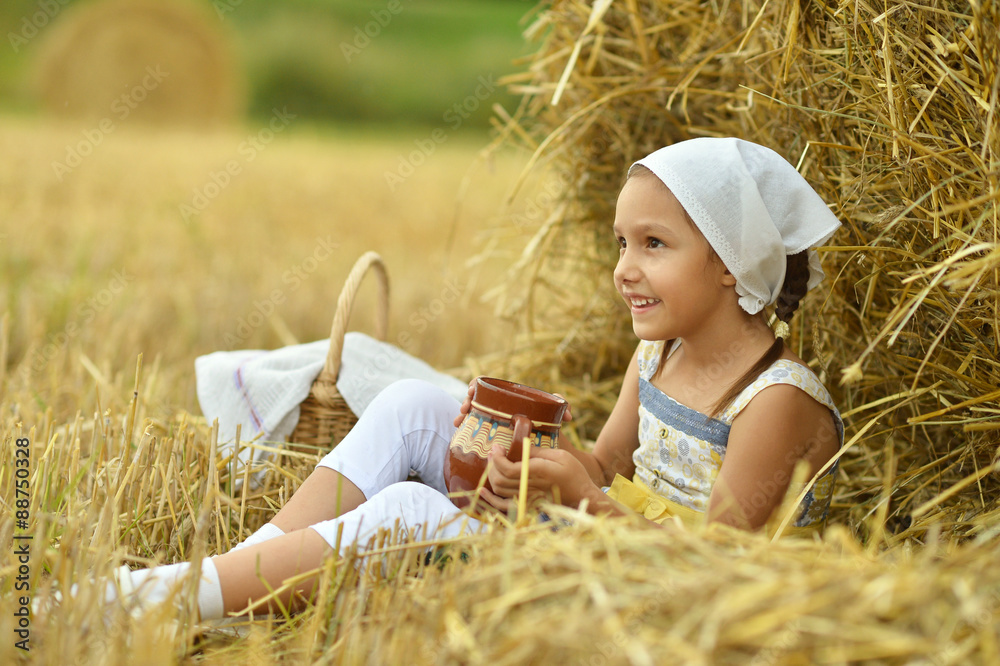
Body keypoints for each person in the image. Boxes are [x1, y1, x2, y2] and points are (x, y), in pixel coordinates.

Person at [95, 137, 845, 623]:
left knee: (411, 513)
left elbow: (714, 570)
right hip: (597, 541)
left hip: (649, 601)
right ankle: (237, 571)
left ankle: (153, 604)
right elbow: (606, 467)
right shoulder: (659, 356)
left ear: (730, 262)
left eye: (654, 244)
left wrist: (579, 500)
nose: (624, 269)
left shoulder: (775, 401)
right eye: (621, 242)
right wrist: (533, 473)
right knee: (417, 405)